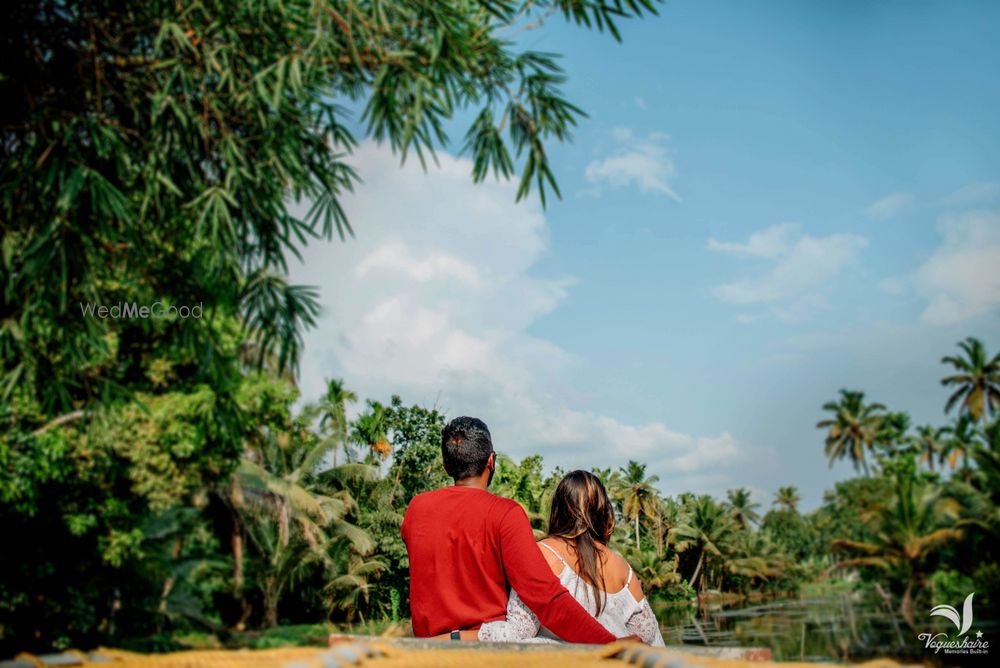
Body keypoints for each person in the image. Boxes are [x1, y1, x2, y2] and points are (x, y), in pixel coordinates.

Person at [400, 417, 627, 644]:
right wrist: (609, 643)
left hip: (427, 653)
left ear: (446, 465)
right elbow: (546, 598)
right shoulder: (504, 513)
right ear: (491, 461)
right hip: (483, 654)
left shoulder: (417, 509)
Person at [477, 470, 665, 646]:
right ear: (602, 511)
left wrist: (459, 635)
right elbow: (650, 638)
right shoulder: (622, 568)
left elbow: (518, 633)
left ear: (558, 510)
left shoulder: (543, 554)